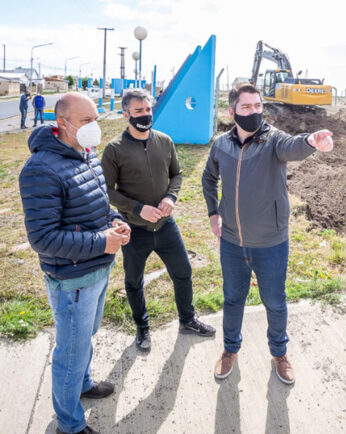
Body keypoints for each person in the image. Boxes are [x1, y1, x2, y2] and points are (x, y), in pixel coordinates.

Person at [202, 82, 334, 384]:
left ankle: (279, 354)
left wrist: (312, 140)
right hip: (233, 241)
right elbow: (208, 179)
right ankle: (229, 350)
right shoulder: (221, 144)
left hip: (271, 242)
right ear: (231, 110)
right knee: (233, 299)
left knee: (274, 301)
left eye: (258, 106)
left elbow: (294, 147)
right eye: (247, 107)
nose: (254, 112)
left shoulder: (273, 140)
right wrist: (213, 213)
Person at [19, 92, 131, 434]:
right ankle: (69, 425)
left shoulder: (85, 152)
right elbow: (43, 239)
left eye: (96, 119)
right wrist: (102, 241)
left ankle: (82, 384)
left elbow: (95, 205)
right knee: (70, 352)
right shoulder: (40, 169)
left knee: (85, 337)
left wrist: (113, 220)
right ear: (62, 123)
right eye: (86, 122)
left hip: (97, 268)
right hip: (72, 279)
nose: (94, 128)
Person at [101, 89, 215, 352]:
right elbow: (106, 190)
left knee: (183, 273)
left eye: (148, 109)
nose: (145, 115)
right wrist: (137, 208)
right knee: (133, 282)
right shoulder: (115, 149)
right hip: (135, 230)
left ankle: (187, 320)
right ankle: (142, 329)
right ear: (126, 114)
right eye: (138, 111)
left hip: (165, 227)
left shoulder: (165, 141)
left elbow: (177, 174)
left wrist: (172, 197)